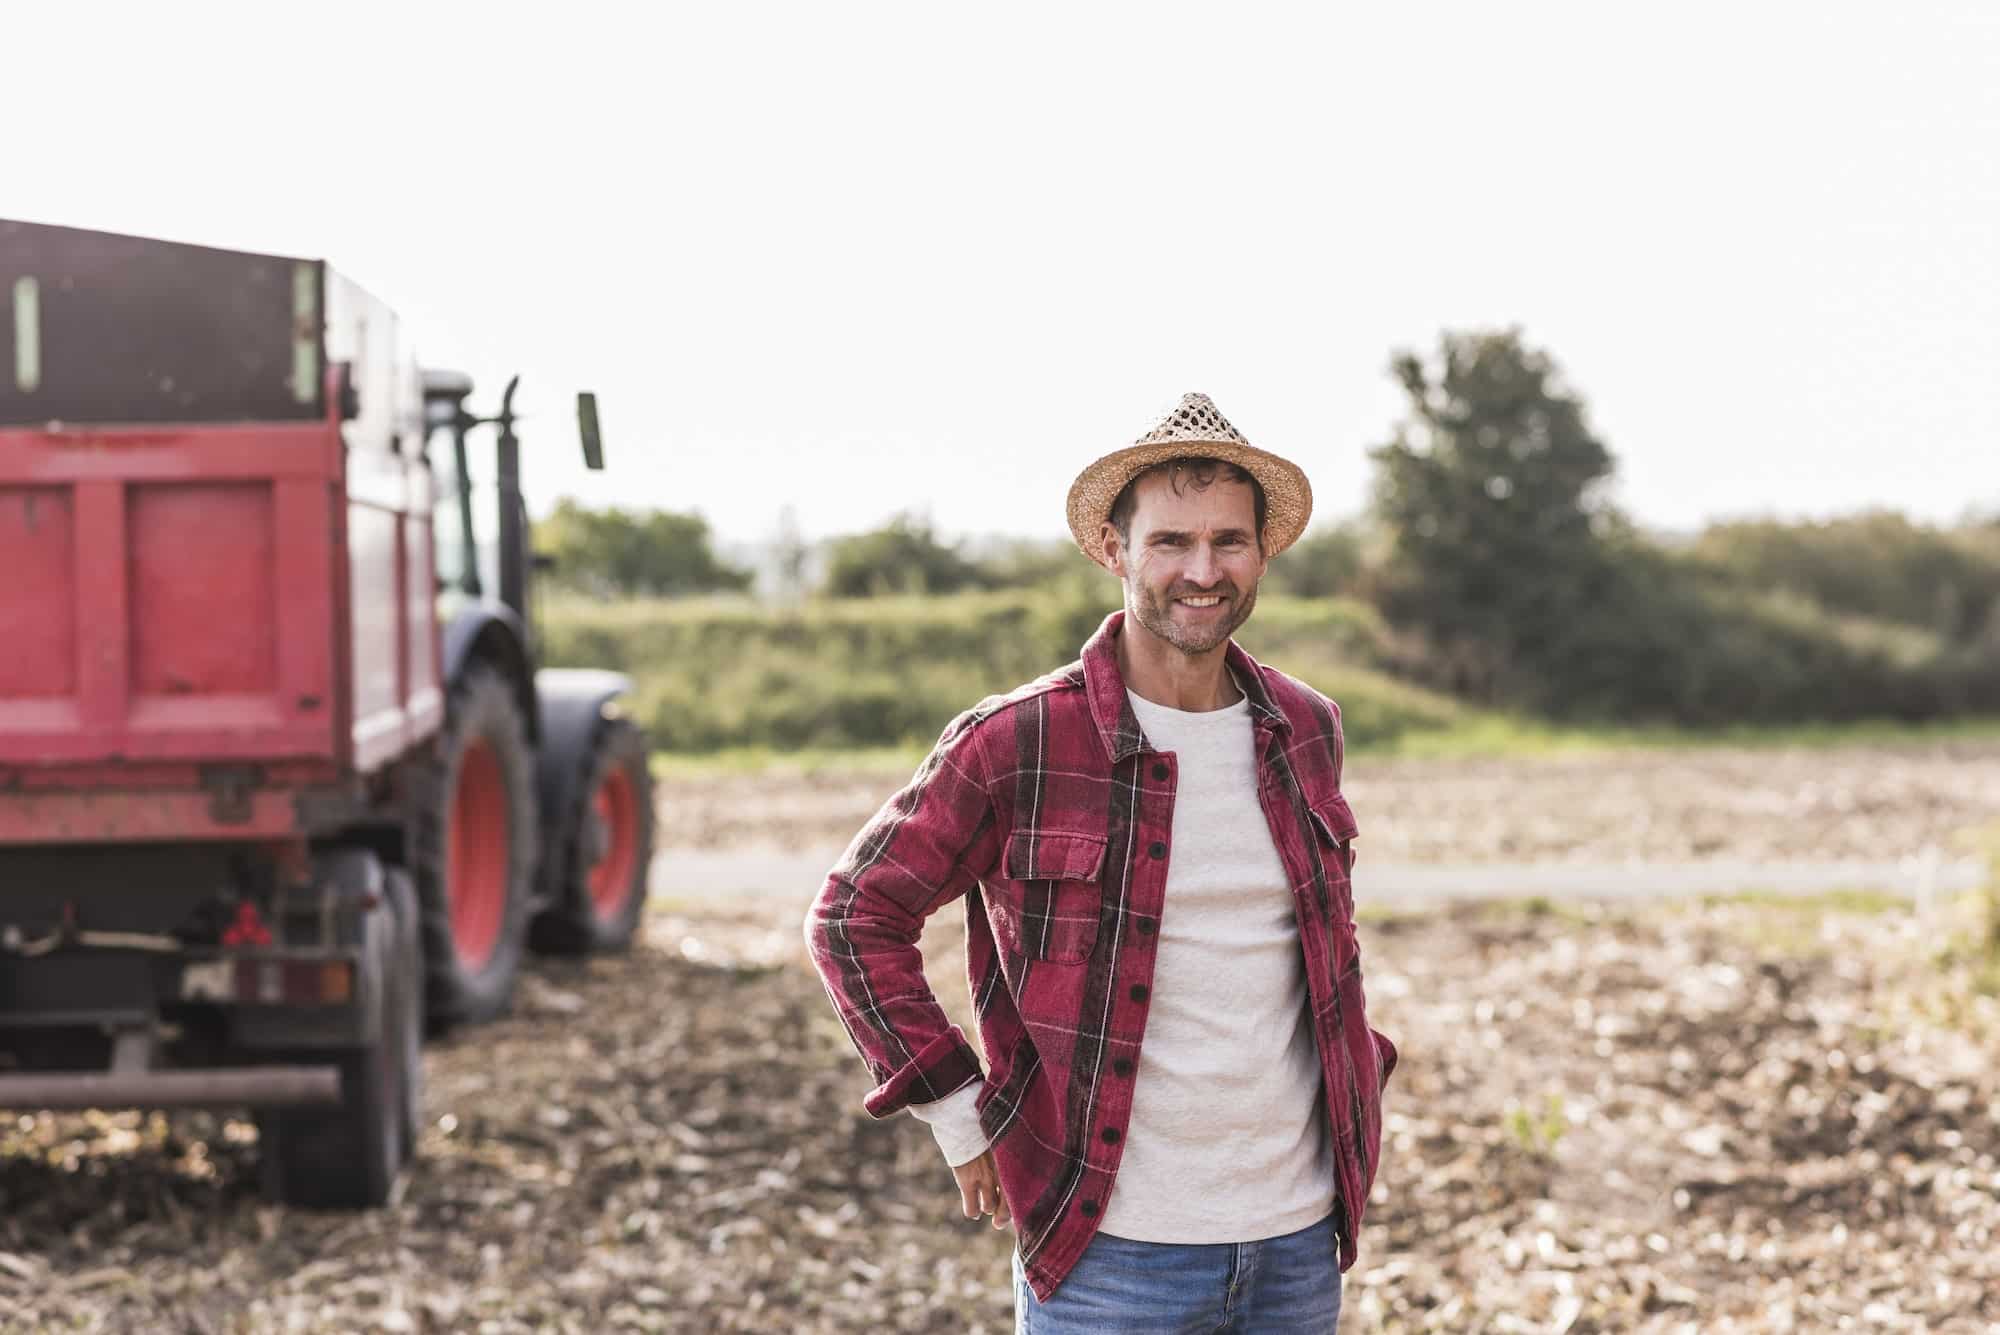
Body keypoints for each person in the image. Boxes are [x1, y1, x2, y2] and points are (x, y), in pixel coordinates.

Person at [802, 393, 1397, 1332]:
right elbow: (851, 918)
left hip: (1296, 1241)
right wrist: (960, 1115)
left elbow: (1318, 952)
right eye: (1170, 541)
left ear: (1263, 551)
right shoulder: (1017, 741)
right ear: (1114, 551)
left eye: (1229, 541)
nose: (1203, 570)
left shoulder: (1306, 727)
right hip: (1108, 1253)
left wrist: (1364, 1078)